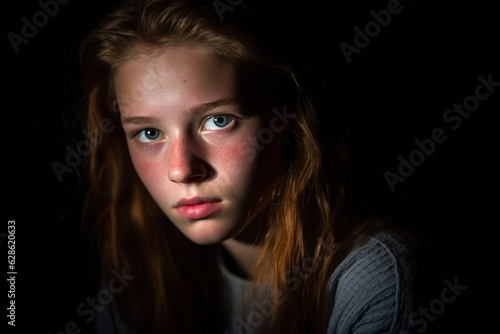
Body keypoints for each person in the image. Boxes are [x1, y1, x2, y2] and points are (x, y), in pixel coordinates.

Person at [76, 0, 421, 333]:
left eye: (218, 120)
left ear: (287, 116)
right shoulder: (137, 284)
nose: (181, 171)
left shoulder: (372, 279)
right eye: (149, 133)